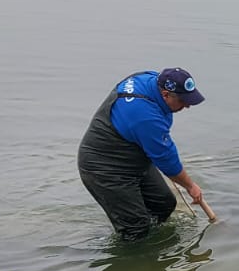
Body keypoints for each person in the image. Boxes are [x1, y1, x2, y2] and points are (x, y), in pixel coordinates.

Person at [77, 68, 207, 240]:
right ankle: (132, 256)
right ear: (166, 94)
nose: (188, 105)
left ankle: (149, 237)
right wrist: (191, 186)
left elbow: (160, 150)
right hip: (104, 168)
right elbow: (167, 160)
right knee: (136, 228)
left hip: (132, 157)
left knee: (164, 204)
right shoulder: (146, 117)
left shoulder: (149, 78)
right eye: (183, 101)